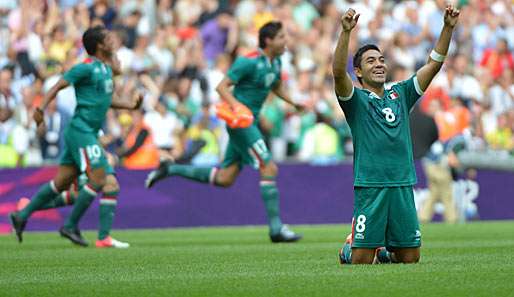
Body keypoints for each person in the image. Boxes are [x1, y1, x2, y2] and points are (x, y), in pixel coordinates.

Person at [145, 21, 303, 243]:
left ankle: (171, 169)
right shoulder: (248, 62)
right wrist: (237, 107)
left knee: (224, 178)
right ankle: (276, 228)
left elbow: (275, 86)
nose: (285, 41)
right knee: (268, 166)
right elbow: (222, 86)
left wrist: (294, 103)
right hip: (240, 122)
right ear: (268, 41)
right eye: (281, 37)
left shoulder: (275, 63)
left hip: (251, 122)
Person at [332, 6, 460, 264]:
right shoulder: (355, 100)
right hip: (371, 185)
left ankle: (385, 251)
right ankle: (350, 247)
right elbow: (337, 73)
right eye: (371, 61)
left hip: (402, 182)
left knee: (410, 258)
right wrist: (345, 33)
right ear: (358, 72)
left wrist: (447, 28)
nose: (379, 64)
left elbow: (433, 65)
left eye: (381, 60)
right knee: (359, 262)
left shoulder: (400, 94)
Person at [9, 26, 142, 248]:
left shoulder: (106, 70)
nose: (113, 40)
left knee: (61, 183)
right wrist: (40, 109)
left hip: (86, 132)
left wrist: (130, 105)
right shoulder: (85, 68)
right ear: (100, 46)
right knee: (100, 179)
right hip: (81, 131)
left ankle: (22, 215)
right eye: (108, 38)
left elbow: (105, 100)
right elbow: (58, 85)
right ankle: (70, 226)